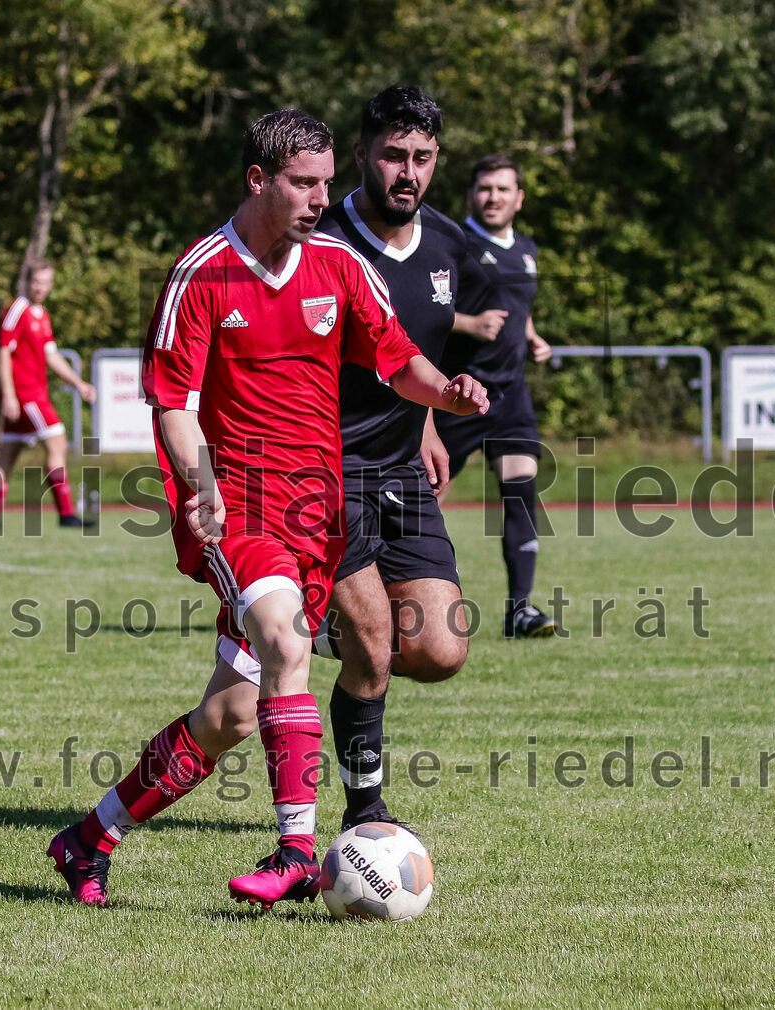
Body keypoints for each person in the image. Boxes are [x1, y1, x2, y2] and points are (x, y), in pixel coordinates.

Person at [46, 109, 489, 909]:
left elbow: (397, 361)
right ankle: (295, 850)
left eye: (326, 182)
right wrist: (199, 480)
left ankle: (87, 840)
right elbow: (173, 404)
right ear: (260, 180)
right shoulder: (202, 273)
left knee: (231, 714)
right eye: (304, 183)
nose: (323, 198)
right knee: (288, 642)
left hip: (321, 512)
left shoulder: (340, 268)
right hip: (240, 509)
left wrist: (445, 393)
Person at [313, 85, 489, 832]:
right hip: (322, 469)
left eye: (421, 157)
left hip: (401, 469)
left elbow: (413, 349)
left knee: (442, 648)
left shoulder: (450, 246)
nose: (406, 171)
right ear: (361, 156)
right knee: (378, 648)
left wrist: (425, 423)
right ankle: (366, 815)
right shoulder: (318, 241)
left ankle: (322, 623)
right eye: (392, 155)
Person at [436, 154, 556, 637]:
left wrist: (532, 336)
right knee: (420, 498)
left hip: (512, 398)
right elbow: (423, 308)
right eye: (485, 188)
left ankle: (520, 611)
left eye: (503, 189)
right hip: (458, 394)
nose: (493, 197)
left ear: (519, 198)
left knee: (521, 494)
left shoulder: (526, 248)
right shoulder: (452, 243)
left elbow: (517, 307)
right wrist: (469, 324)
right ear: (471, 194)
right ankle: (385, 598)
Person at [0, 260, 97, 529]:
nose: (40, 287)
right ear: (26, 282)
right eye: (36, 282)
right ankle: (66, 514)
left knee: (8, 452)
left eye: (45, 283)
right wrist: (9, 395)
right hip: (25, 393)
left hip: (32, 392)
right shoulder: (17, 309)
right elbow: (3, 352)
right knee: (57, 442)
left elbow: (51, 355)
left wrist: (78, 383)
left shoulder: (41, 314)